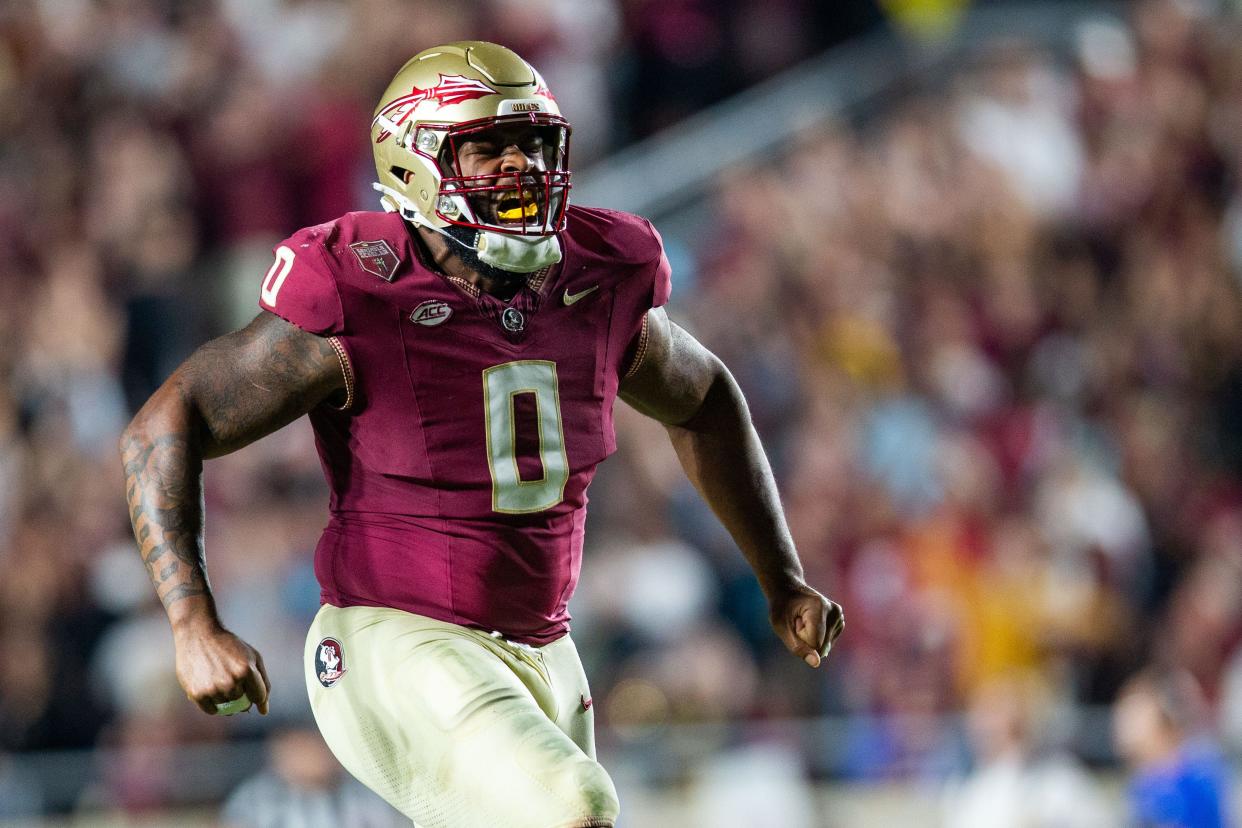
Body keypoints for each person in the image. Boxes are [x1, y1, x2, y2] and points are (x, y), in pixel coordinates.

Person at [120, 40, 844, 828]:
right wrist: (192, 625)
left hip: (546, 651)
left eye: (532, 143)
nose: (519, 167)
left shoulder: (599, 274)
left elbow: (703, 398)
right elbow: (169, 421)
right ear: (415, 163)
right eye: (487, 147)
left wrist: (782, 578)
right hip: (393, 642)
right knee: (578, 805)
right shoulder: (364, 287)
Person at [1113, 667, 1231, 828]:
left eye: (1136, 713)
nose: (1123, 724)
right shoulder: (1140, 782)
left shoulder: (1196, 776)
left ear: (1164, 718)